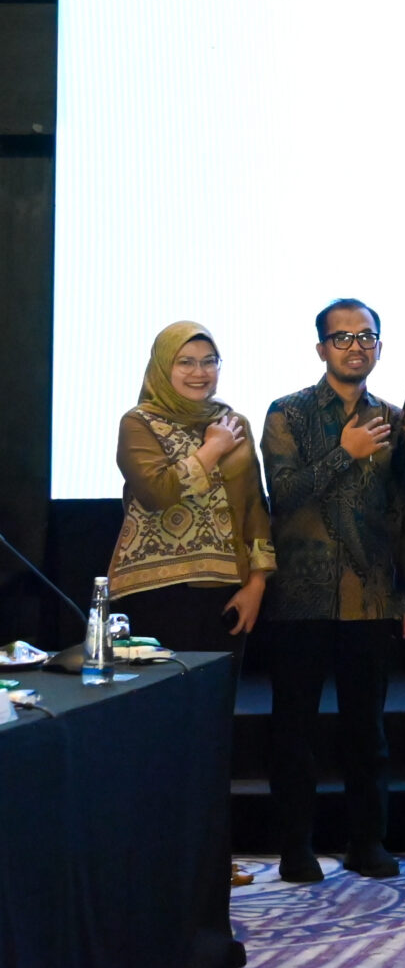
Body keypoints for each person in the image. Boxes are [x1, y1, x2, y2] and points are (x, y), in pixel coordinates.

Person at [110, 320, 273, 888]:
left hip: (224, 595)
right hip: (155, 598)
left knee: (212, 733)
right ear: (164, 367)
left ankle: (210, 860)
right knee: (160, 732)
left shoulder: (234, 422)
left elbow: (254, 507)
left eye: (209, 361)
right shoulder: (139, 422)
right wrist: (210, 450)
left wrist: (257, 582)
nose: (200, 372)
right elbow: (156, 492)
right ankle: (157, 860)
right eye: (186, 361)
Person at [261, 299, 405, 883]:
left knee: (367, 731)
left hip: (371, 597)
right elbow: (284, 495)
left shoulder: (395, 419)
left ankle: (367, 843)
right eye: (342, 337)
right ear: (321, 347)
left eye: (366, 336)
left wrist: (402, 591)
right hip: (302, 594)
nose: (355, 346)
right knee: (295, 729)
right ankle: (295, 847)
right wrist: (343, 454)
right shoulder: (288, 413)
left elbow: (401, 511)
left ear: (379, 346)